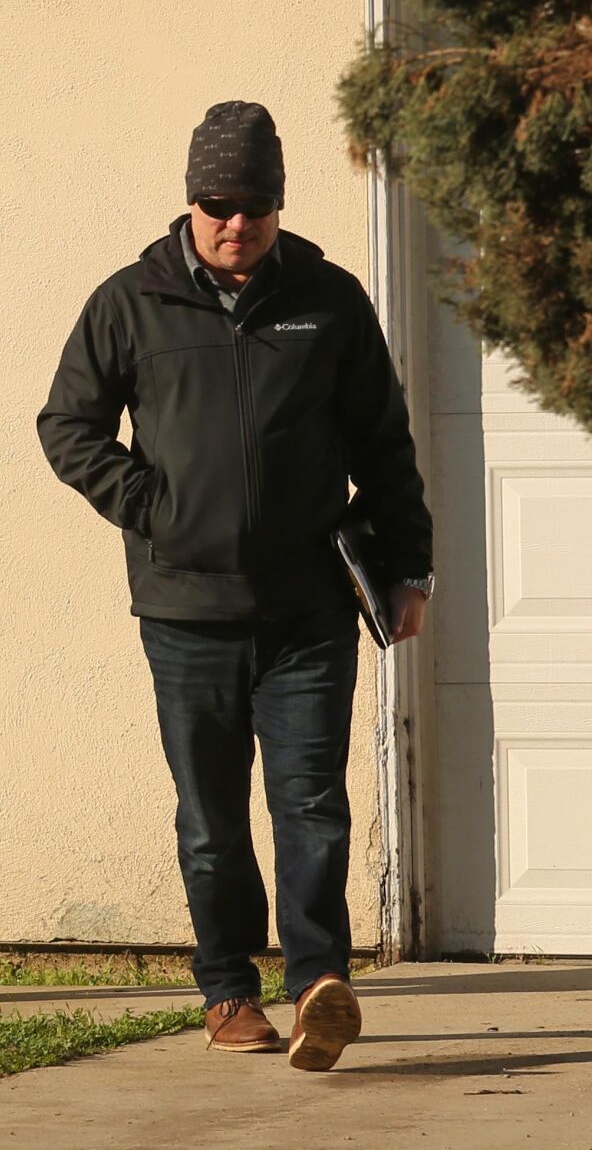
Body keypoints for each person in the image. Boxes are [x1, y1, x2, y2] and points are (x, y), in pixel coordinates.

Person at [38, 100, 433, 1071]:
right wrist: (150, 506)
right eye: (216, 203)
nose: (234, 223)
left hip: (306, 610)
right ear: (189, 200)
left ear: (275, 202)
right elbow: (67, 427)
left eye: (252, 204)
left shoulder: (326, 299)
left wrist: (408, 566)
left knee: (310, 803)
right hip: (184, 614)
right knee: (210, 816)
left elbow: (382, 443)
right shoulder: (128, 302)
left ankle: (313, 987)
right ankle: (225, 990)